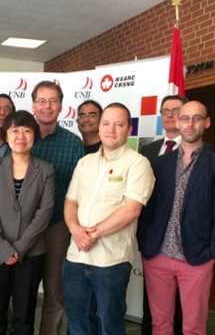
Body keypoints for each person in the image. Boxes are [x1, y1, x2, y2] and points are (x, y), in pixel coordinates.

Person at [63, 102, 155, 335]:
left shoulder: (138, 164)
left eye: (118, 124)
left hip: (110, 261)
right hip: (76, 257)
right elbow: (70, 201)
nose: (111, 129)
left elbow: (131, 210)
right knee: (77, 324)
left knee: (109, 325)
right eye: (106, 123)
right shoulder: (85, 163)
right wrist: (76, 230)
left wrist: (90, 234)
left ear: (129, 130)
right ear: (99, 127)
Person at [137, 101, 215, 335]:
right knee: (160, 325)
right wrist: (145, 245)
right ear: (177, 122)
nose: (190, 123)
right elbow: (147, 209)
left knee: (194, 328)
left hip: (196, 258)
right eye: (185, 118)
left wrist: (213, 253)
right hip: (158, 256)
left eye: (197, 118)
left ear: (206, 123)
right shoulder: (159, 164)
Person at [0, 110, 55, 335]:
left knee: (25, 315)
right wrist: (4, 248)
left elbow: (45, 212)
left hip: (30, 254)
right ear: (6, 135)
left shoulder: (46, 170)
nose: (21, 136)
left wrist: (19, 249)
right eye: (14, 131)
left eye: (27, 130)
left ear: (34, 135)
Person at [30, 81, 84, 335]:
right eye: (41, 100)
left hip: (57, 227)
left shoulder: (73, 143)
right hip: (24, 227)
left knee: (54, 290)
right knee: (23, 288)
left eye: (53, 101)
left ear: (61, 106)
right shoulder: (21, 136)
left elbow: (78, 189)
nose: (47, 106)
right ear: (33, 105)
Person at [139, 94, 188, 335]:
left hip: (183, 241)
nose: (169, 115)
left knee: (180, 307)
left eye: (175, 110)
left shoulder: (202, 150)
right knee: (153, 305)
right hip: (153, 238)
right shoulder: (148, 149)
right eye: (165, 111)